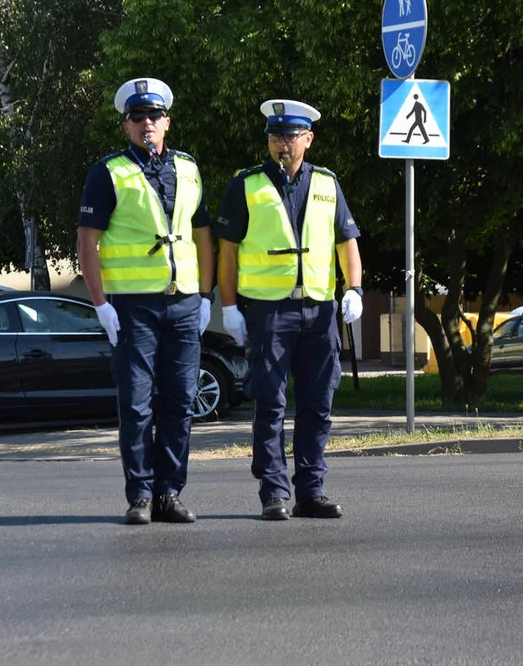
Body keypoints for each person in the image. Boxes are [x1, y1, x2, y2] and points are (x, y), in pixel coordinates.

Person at [215, 98, 363, 521]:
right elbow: (228, 253)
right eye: (275, 136)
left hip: (319, 312)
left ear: (308, 140)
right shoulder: (245, 185)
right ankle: (274, 491)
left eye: (291, 136)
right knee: (272, 403)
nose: (282, 144)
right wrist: (229, 307)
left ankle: (311, 489)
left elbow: (346, 241)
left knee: (318, 404)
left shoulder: (327, 184)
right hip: (268, 312)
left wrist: (354, 288)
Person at [77, 78, 215, 525]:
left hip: (184, 304)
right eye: (138, 118)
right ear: (127, 126)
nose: (147, 124)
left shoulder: (190, 168)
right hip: (134, 308)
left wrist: (208, 295)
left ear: (167, 122)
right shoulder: (108, 171)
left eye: (155, 116)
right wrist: (100, 303)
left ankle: (168, 493)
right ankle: (139, 495)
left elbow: (203, 236)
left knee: (180, 401)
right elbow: (87, 241)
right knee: (136, 404)